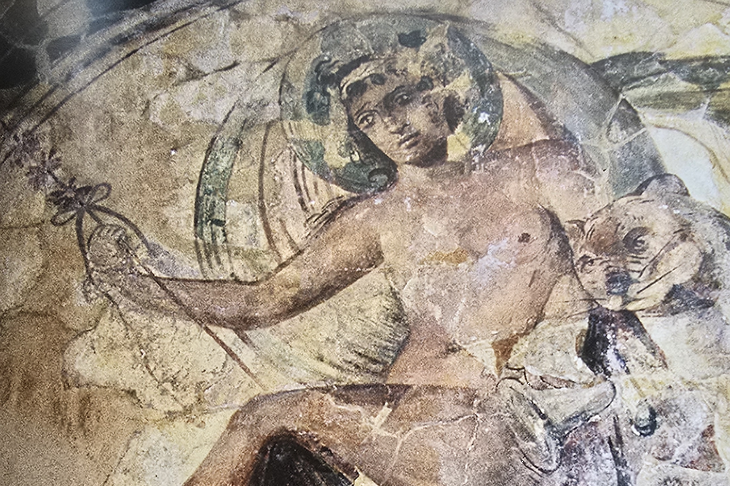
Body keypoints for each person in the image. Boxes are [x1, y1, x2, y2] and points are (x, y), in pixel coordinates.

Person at [90, 23, 611, 485]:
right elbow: (264, 300)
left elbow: (619, 264)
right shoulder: (378, 218)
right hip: (420, 427)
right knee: (278, 451)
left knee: (264, 418)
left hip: (515, 416)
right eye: (369, 118)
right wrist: (135, 285)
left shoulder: (539, 169)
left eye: (402, 98)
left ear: (440, 92)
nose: (393, 124)